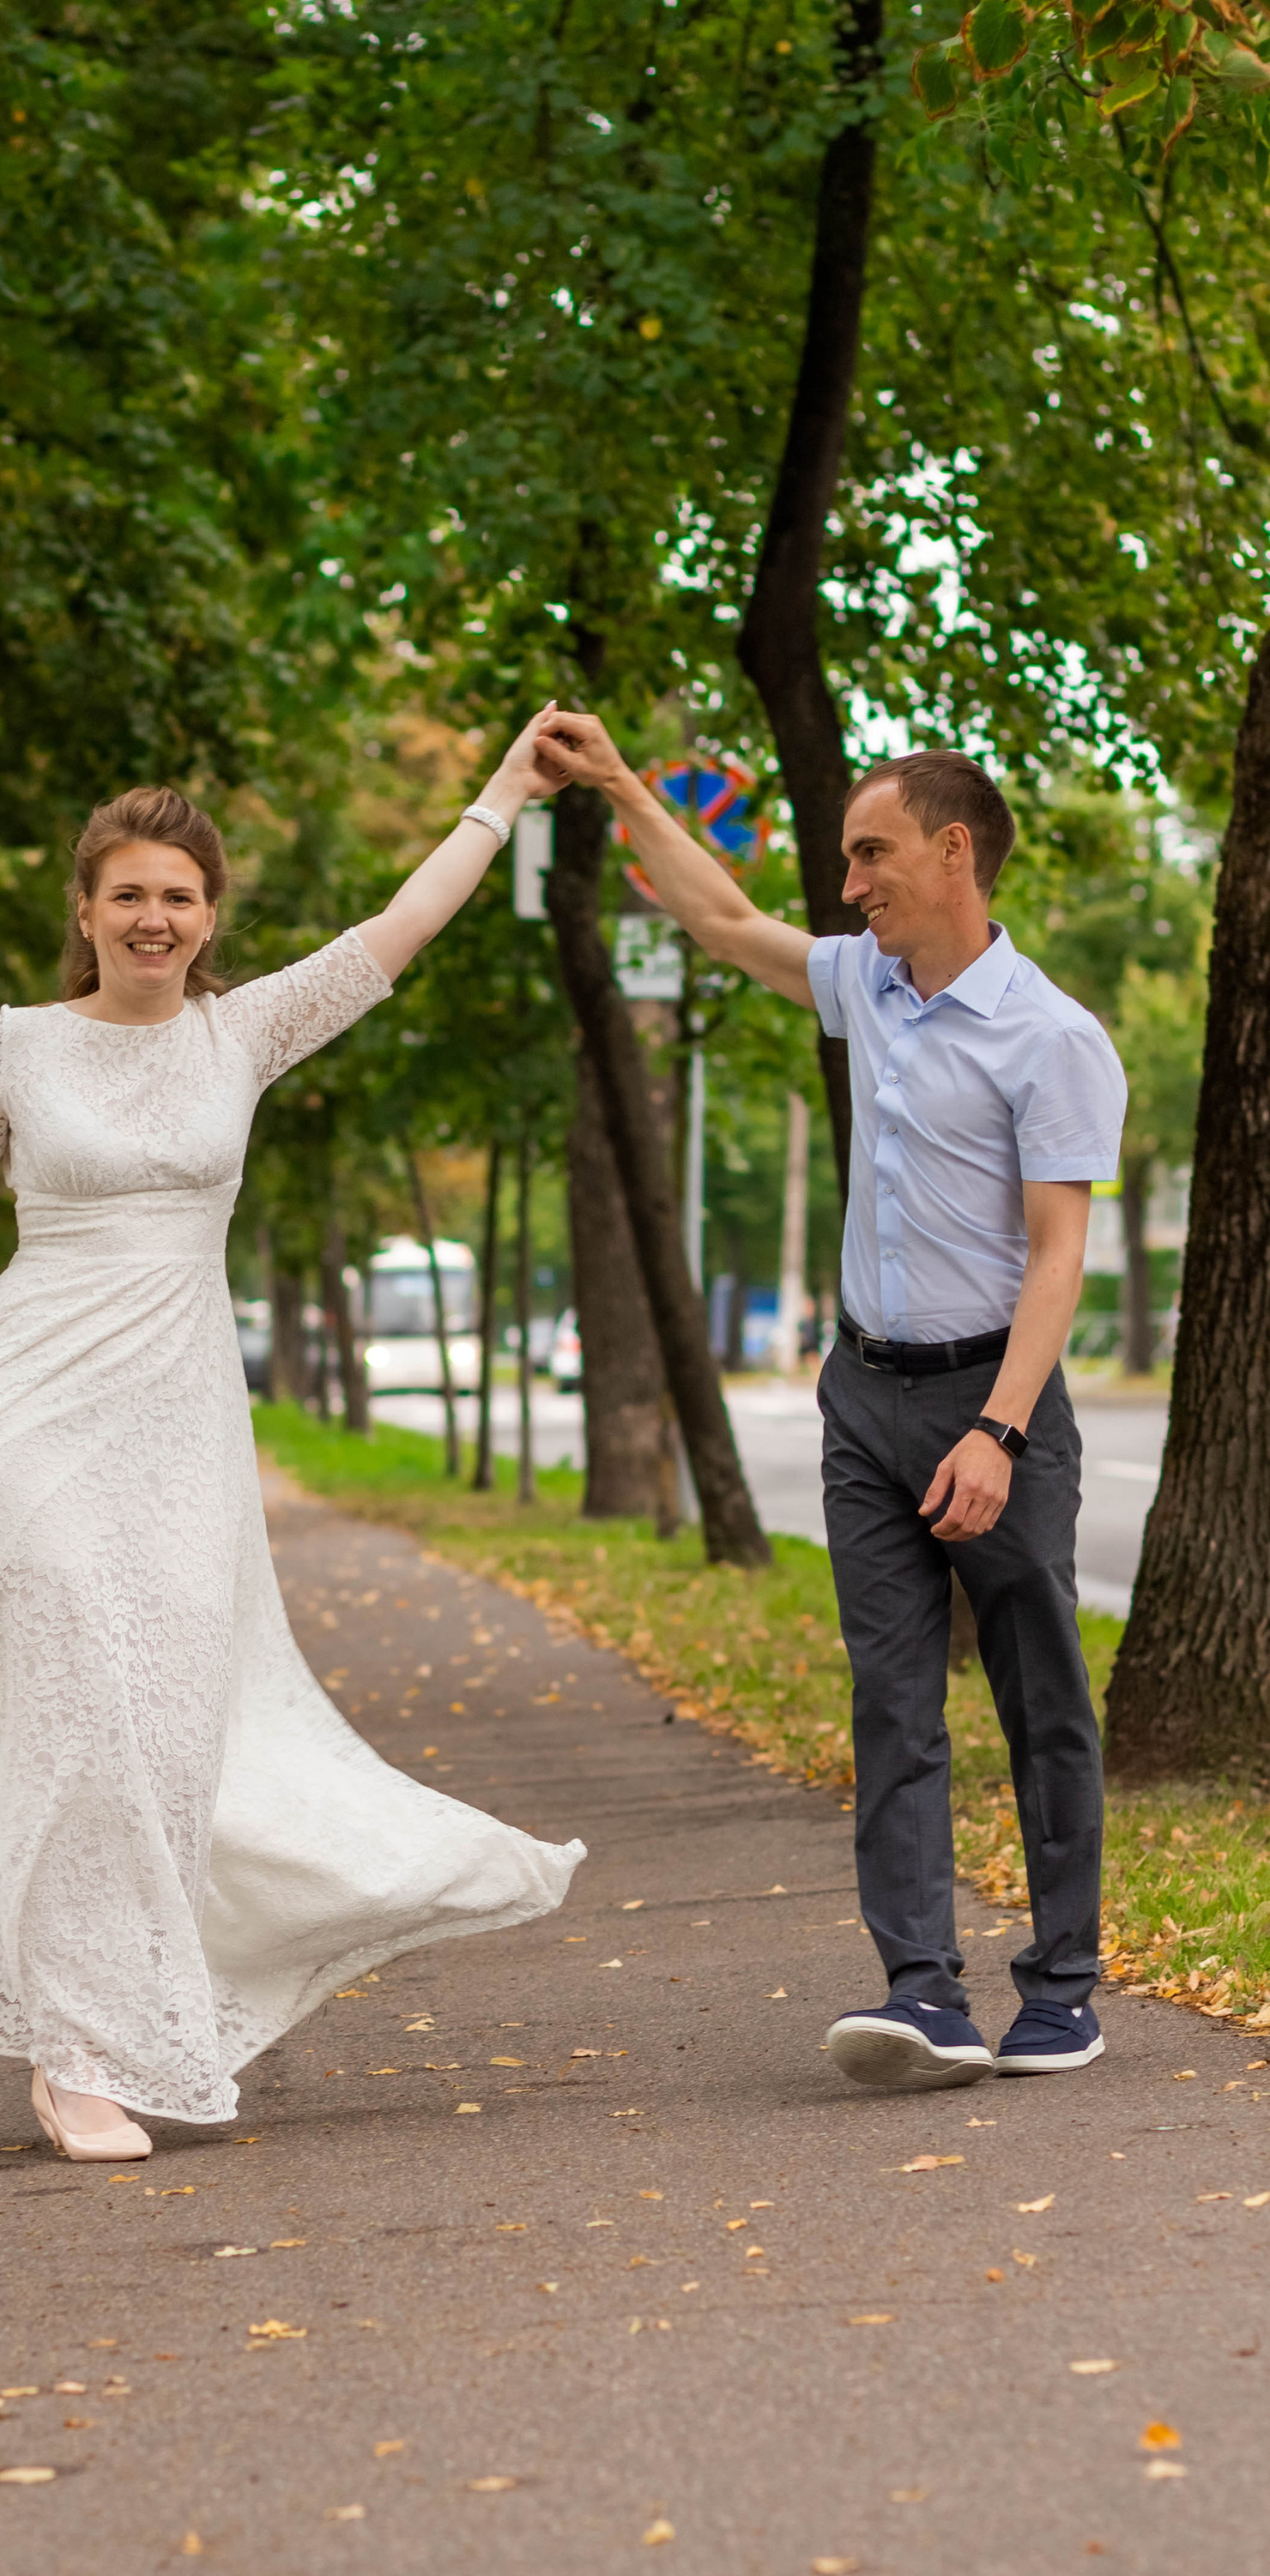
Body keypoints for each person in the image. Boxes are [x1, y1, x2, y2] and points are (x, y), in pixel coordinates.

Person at [0, 756, 584, 2160]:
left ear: (210, 918)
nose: (154, 919)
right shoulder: (20, 1045)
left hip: (177, 1433)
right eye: (128, 898)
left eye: (179, 898)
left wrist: (505, 795)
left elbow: (405, 923)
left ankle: (121, 2006)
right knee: (70, 1712)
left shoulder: (248, 1034)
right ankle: (77, 2053)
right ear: (86, 913)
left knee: (159, 1731)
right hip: (26, 1416)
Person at [529, 715, 1127, 2096]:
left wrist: (1001, 1430)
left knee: (1042, 1703)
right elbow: (723, 917)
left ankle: (1065, 1990)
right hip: (864, 1399)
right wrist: (622, 783)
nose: (850, 883)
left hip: (994, 1401)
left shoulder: (1051, 1037)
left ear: (954, 851)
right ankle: (923, 1992)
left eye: (874, 853)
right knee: (893, 1704)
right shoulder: (867, 986)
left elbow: (1058, 1261)